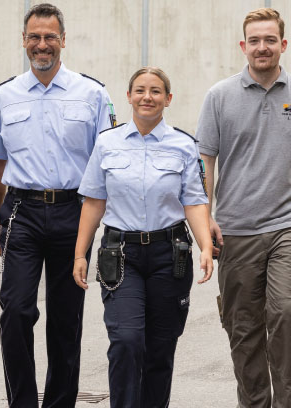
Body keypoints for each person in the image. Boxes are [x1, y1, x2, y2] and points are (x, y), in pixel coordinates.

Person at [195, 7, 291, 408]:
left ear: (283, 45)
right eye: (254, 40)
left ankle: (287, 404)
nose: (262, 47)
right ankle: (254, 402)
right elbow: (205, 162)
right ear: (243, 46)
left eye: (270, 40)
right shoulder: (219, 96)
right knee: (243, 327)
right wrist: (204, 222)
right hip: (236, 228)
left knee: (289, 313)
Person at [0, 3, 114, 407]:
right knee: (15, 311)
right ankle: (21, 402)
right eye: (34, 37)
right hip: (22, 212)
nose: (42, 44)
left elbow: (104, 164)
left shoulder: (92, 94)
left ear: (63, 41)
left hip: (74, 212)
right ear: (24, 41)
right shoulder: (4, 96)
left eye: (50, 37)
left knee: (66, 320)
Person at [71, 67, 214, 407]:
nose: (147, 97)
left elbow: (194, 201)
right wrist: (80, 254)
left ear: (168, 98)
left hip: (170, 254)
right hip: (121, 255)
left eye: (155, 91)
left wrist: (206, 246)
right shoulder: (107, 143)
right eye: (139, 90)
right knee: (126, 341)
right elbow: (93, 201)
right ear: (129, 96)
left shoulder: (183, 145)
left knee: (161, 347)